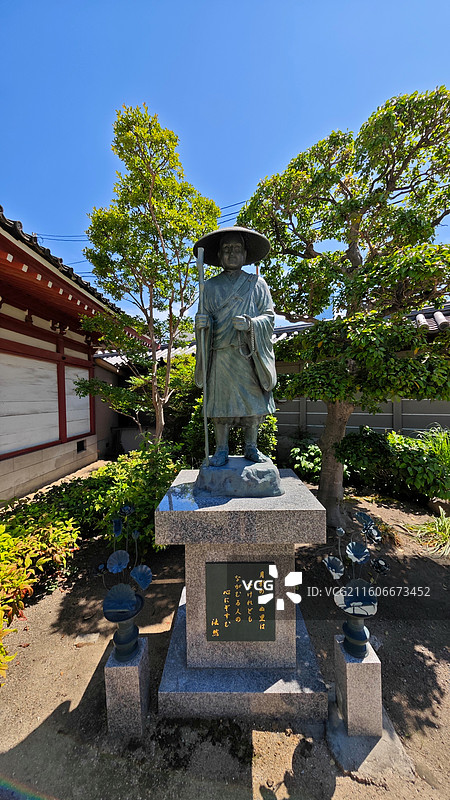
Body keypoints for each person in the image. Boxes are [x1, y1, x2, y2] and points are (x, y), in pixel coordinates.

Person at [194, 227, 277, 467]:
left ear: (245, 254)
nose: (232, 254)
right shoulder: (208, 287)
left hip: (248, 354)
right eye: (227, 249)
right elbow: (204, 318)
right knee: (221, 407)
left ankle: (251, 446)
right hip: (220, 354)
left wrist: (251, 324)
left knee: (253, 405)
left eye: (237, 249)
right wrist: (203, 324)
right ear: (219, 255)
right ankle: (221, 449)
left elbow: (269, 317)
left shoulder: (257, 283)